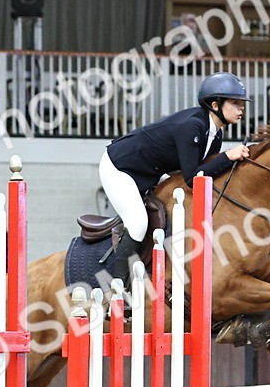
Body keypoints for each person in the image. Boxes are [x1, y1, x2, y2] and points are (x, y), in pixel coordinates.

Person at [99, 71, 251, 259]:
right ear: (215, 105)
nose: (241, 108)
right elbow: (192, 179)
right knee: (138, 224)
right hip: (120, 167)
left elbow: (205, 173)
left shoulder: (215, 135)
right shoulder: (192, 126)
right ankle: (119, 283)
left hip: (151, 172)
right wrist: (228, 156)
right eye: (235, 103)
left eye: (241, 104)